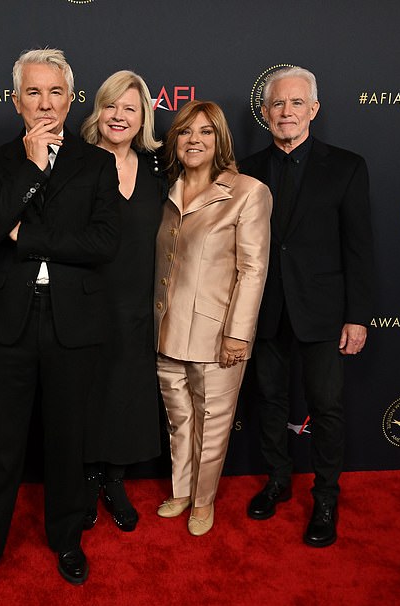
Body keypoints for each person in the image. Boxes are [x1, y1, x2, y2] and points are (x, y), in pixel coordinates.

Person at [0, 48, 120, 605]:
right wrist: (29, 167)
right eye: (33, 92)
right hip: (8, 322)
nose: (45, 103)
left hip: (74, 322)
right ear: (15, 100)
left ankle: (67, 539)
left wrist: (26, 238)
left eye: (54, 93)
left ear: (71, 100)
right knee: (1, 445)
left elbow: (104, 244)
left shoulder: (96, 164)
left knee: (67, 441)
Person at [239, 66, 375, 547]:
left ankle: (325, 497)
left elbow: (359, 247)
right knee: (269, 400)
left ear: (314, 110)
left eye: (297, 103)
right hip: (265, 308)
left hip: (322, 310)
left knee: (327, 406)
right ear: (265, 111)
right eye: (278, 104)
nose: (287, 112)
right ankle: (277, 480)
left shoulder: (346, 166)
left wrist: (357, 315)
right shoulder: (246, 170)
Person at [154, 100, 271, 536]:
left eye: (205, 132)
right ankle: (181, 490)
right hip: (166, 330)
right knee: (179, 419)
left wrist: (238, 334)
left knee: (213, 423)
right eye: (185, 132)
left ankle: (204, 502)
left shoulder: (248, 192)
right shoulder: (167, 190)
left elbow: (253, 269)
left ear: (220, 139)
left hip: (217, 335)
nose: (194, 140)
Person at [79, 70, 164, 532]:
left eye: (130, 108)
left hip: (138, 304)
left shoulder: (157, 168)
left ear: (143, 116)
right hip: (87, 301)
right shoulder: (78, 161)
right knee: (89, 394)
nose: (119, 116)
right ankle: (87, 478)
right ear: (98, 111)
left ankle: (114, 481)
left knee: (128, 393)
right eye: (111, 106)